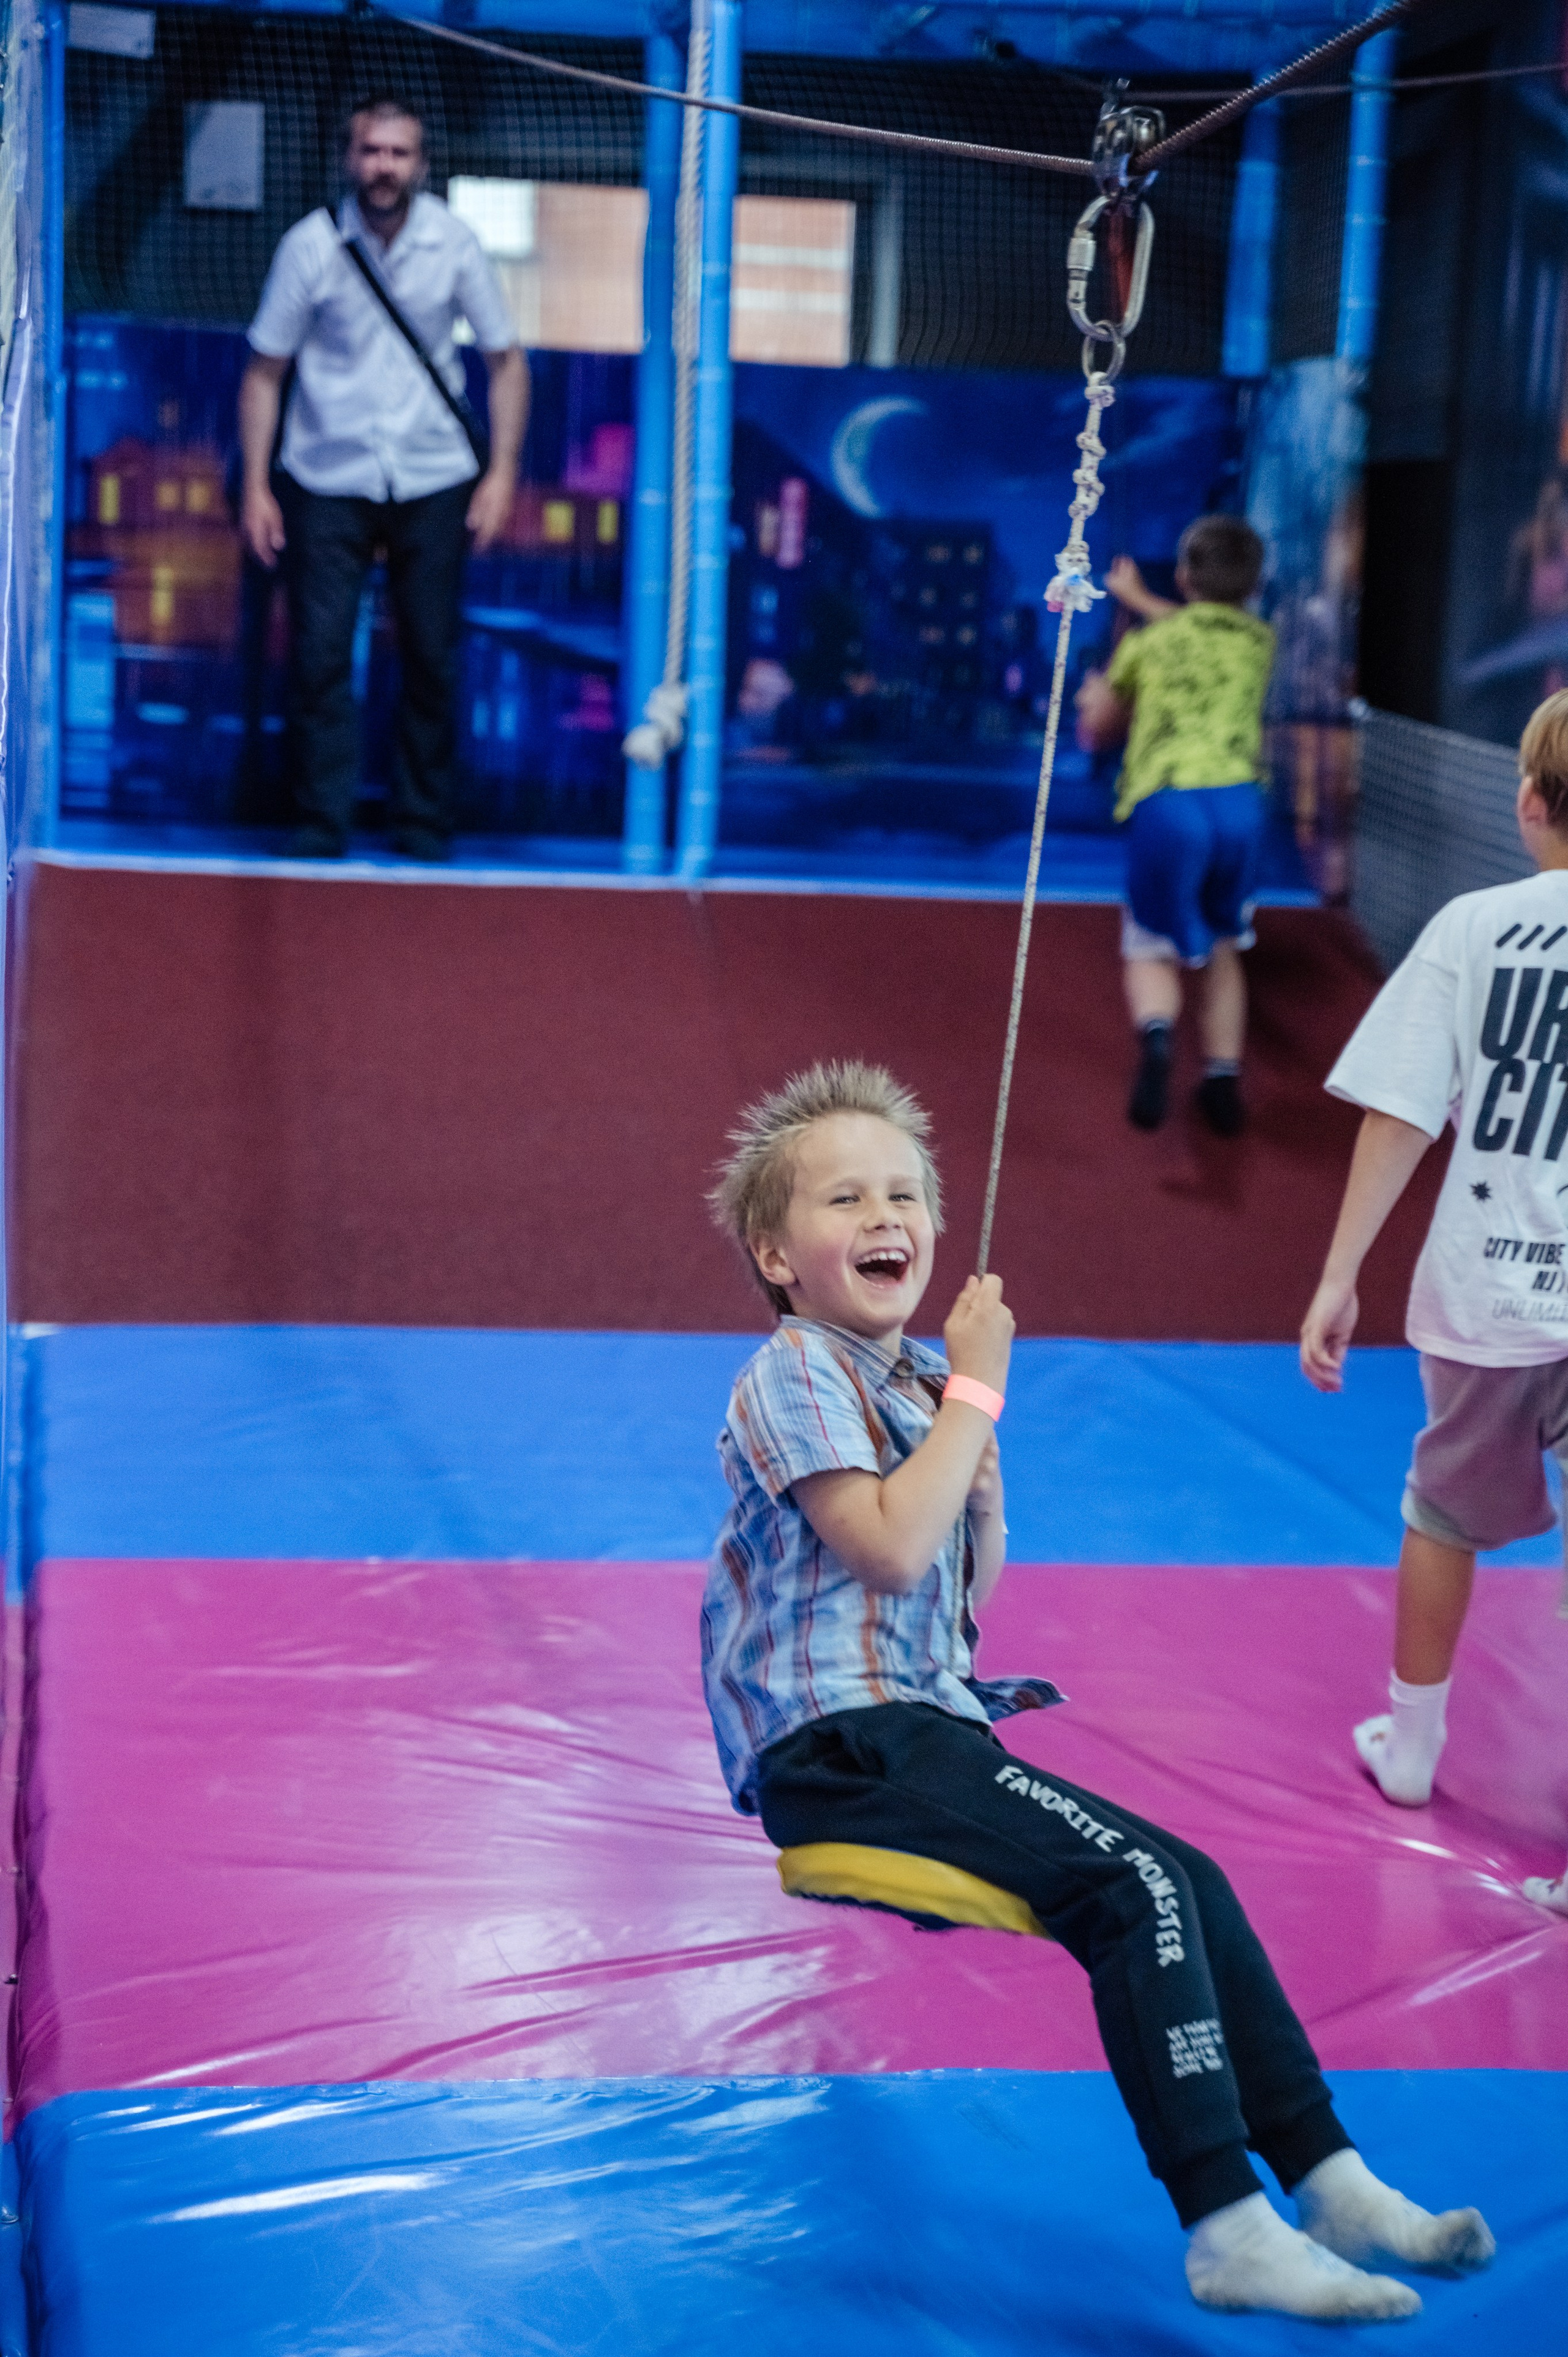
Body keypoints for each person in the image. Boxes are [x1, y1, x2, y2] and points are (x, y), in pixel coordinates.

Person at [702, 1060, 1491, 2321]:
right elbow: (889, 1550)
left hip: (916, 1724)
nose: (884, 1215)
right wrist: (970, 1391)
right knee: (1132, 1893)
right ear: (775, 1251)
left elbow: (954, 1591)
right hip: (844, 1744)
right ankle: (1225, 2222)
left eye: (903, 1192)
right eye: (844, 1198)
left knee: (1186, 1879)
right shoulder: (796, 1370)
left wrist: (973, 1442)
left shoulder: (907, 1382)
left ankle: (1324, 2172)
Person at [1301, 688, 1568, 1915]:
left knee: (1441, 1510)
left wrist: (1338, 1271)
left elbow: (1401, 1108)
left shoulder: (1472, 928)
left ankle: (1409, 1748)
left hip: (1486, 1296)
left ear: (1526, 807)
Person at [238, 96, 529, 861]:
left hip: (434, 472)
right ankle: (320, 822)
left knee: (432, 653)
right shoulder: (311, 246)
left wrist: (501, 474)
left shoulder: (455, 243)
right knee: (320, 655)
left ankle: (423, 823)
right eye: (371, 151)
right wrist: (256, 487)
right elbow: (264, 372)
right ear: (349, 158)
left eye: (398, 154)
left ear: (421, 165)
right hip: (325, 472)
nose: (383, 167)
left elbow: (506, 363)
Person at [1076, 517, 1274, 1137]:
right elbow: (1203, 626)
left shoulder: (1148, 643)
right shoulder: (1257, 640)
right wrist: (1139, 601)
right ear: (1254, 582)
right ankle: (1221, 1078)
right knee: (1221, 943)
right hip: (1240, 806)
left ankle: (1159, 1039)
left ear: (1184, 575)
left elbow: (1096, 732)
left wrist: (1100, 682)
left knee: (1149, 944)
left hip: (1171, 805)